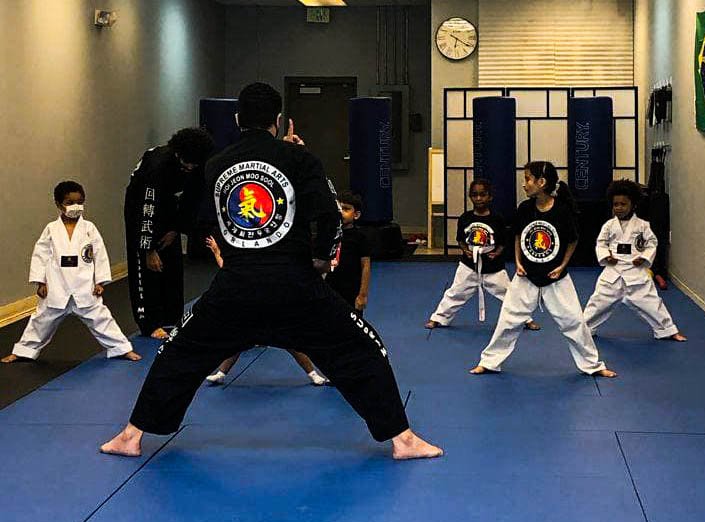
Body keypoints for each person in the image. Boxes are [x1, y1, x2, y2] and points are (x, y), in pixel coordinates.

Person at [100, 81, 442, 460]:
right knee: (363, 349)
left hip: (235, 286)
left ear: (237, 119)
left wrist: (232, 251)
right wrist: (321, 257)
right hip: (295, 285)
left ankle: (131, 435)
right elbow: (329, 215)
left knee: (177, 352)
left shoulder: (216, 164)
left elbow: (201, 221)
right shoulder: (299, 159)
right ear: (277, 121)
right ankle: (402, 439)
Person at [470, 161, 617, 378]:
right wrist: (518, 262)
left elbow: (572, 240)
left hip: (556, 277)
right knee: (508, 320)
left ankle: (593, 365)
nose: (524, 184)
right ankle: (489, 362)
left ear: (541, 182)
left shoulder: (562, 210)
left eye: (528, 179)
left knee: (574, 321)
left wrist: (562, 266)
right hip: (526, 276)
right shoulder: (525, 208)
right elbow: (519, 235)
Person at [2, 181, 140, 363]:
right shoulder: (51, 229)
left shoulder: (89, 228)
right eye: (70, 202)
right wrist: (40, 282)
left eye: (80, 202)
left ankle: (122, 348)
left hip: (84, 286)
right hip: (57, 286)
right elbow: (40, 256)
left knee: (102, 319)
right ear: (59, 204)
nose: (76, 206)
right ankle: (23, 351)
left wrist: (100, 281)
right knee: (41, 322)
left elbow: (100, 255)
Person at [124, 127, 216, 339]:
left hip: (169, 205)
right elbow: (146, 209)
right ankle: (149, 322)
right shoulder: (156, 165)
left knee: (172, 263)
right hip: (141, 208)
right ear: (177, 153)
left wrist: (176, 229)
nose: (190, 167)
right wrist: (148, 250)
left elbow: (192, 200)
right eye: (186, 163)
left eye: (194, 164)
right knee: (148, 267)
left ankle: (172, 317)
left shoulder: (199, 165)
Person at [203, 235, 329, 386]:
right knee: (237, 342)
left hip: (274, 310)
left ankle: (313, 374)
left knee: (293, 345)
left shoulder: (277, 268)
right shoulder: (247, 268)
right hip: (253, 311)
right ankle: (221, 374)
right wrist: (217, 252)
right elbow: (226, 267)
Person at [425, 178, 540, 330]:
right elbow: (460, 240)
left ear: (490, 197)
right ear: (470, 197)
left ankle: (526, 319)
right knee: (455, 293)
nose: (478, 198)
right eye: (474, 195)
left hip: (493, 268)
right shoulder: (465, 218)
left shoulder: (497, 218)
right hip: (469, 266)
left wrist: (496, 253)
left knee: (510, 294)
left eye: (482, 194)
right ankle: (438, 318)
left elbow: (503, 242)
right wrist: (465, 250)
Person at [583, 179, 686, 341]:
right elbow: (601, 243)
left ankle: (668, 330)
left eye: (623, 204)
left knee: (652, 303)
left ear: (633, 205)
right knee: (597, 302)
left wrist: (644, 257)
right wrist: (606, 256)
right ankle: (584, 329)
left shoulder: (643, 225)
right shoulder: (609, 225)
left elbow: (652, 243)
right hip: (613, 271)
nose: (619, 208)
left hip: (635, 271)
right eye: (615, 204)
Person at [325, 191, 371, 314]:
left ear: (356, 215)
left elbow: (365, 266)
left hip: (351, 292)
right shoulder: (328, 235)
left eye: (346, 209)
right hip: (329, 289)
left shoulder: (360, 238)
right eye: (338, 209)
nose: (341, 212)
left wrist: (362, 295)